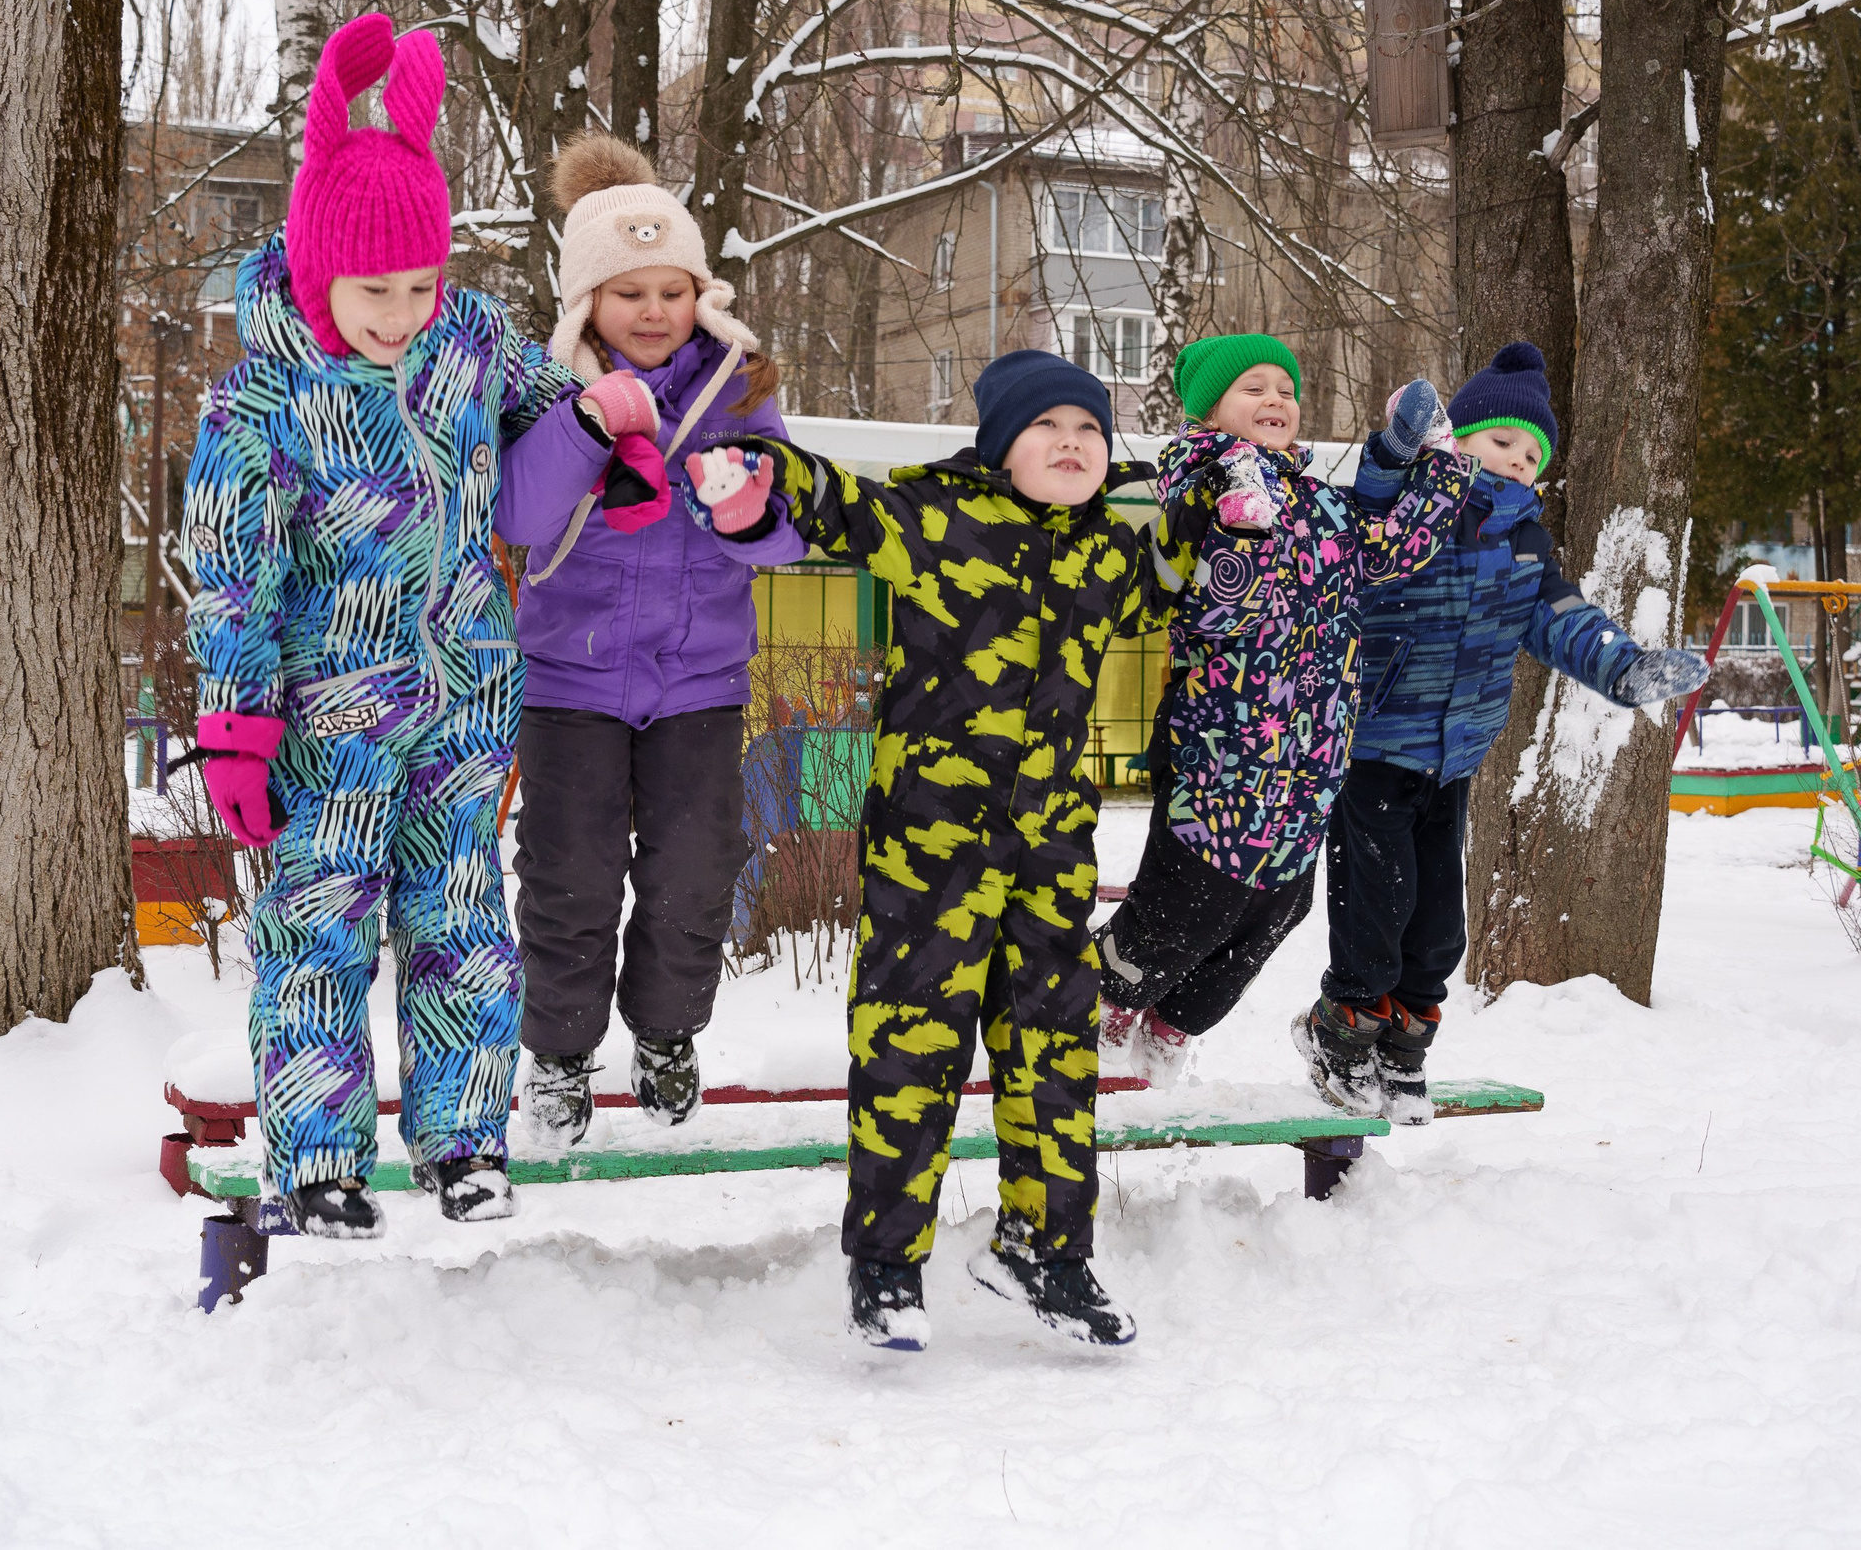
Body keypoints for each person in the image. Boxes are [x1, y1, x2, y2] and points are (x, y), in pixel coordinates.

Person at [683, 351, 1190, 1352]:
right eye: (1048, 428)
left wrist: (1215, 519)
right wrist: (757, 471)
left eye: (1089, 430)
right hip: (931, 852)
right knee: (909, 1048)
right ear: (1001, 447)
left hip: (1052, 850)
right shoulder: (936, 520)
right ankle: (885, 1265)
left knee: (1052, 1054)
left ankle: (1047, 1250)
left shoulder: (1104, 555)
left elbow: (1168, 587)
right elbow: (835, 504)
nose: (1073, 444)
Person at [181, 14, 577, 1239]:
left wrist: (608, 438)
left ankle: (464, 1142)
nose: (402, 313)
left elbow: (557, 411)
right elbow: (228, 569)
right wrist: (236, 722)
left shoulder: (466, 343)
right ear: (314, 265)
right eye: (376, 290)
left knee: (462, 921)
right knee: (322, 930)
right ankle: (317, 1161)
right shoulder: (261, 396)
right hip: (326, 719)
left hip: (463, 695)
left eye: (422, 284)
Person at [1293, 343, 1713, 1122]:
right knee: (1375, 910)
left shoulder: (1525, 543)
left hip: (1452, 760)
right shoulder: (1417, 500)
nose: (1519, 462)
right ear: (1458, 440)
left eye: (1532, 454)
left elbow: (1561, 620)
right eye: (1502, 443)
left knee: (1438, 931)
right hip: (1379, 746)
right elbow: (1371, 501)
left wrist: (1624, 669)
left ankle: (1404, 1048)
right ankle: (1339, 1030)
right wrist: (1394, 446)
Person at [499, 134, 806, 1142]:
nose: (651, 312)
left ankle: (668, 1034)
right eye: (627, 292)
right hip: (569, 686)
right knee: (567, 878)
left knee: (693, 875)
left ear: (699, 294)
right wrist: (590, 426)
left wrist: (752, 513)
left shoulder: (741, 389)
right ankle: (558, 1052)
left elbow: (790, 537)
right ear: (586, 301)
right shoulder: (548, 389)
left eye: (669, 290)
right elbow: (521, 519)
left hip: (698, 685)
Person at [1094, 335, 1471, 1085]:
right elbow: (1206, 611)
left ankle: (1174, 1024)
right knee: (1189, 903)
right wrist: (1239, 526)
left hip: (1310, 761)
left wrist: (1440, 459)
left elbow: (1390, 546)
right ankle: (1099, 994)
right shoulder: (1200, 487)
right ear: (1209, 411)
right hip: (1224, 754)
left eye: (1285, 389)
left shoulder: (1321, 501)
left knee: (1276, 911)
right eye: (1252, 388)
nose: (1275, 400)